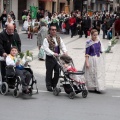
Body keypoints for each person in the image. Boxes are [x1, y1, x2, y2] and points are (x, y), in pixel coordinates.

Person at [43, 24, 67, 92]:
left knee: (57, 71)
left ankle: (54, 84)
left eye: (55, 30)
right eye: (52, 30)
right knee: (49, 72)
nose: (54, 31)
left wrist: (65, 52)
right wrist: (53, 53)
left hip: (57, 58)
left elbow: (62, 45)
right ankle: (49, 85)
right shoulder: (46, 39)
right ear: (50, 30)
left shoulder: (59, 38)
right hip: (50, 57)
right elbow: (46, 48)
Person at [84, 29, 105, 93]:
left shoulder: (99, 42)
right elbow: (86, 53)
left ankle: (98, 87)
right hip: (91, 59)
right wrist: (87, 62)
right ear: (91, 35)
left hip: (98, 60)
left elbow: (101, 51)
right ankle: (92, 87)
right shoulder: (88, 43)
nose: (96, 36)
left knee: (98, 73)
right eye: (94, 35)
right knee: (91, 73)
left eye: (96, 35)